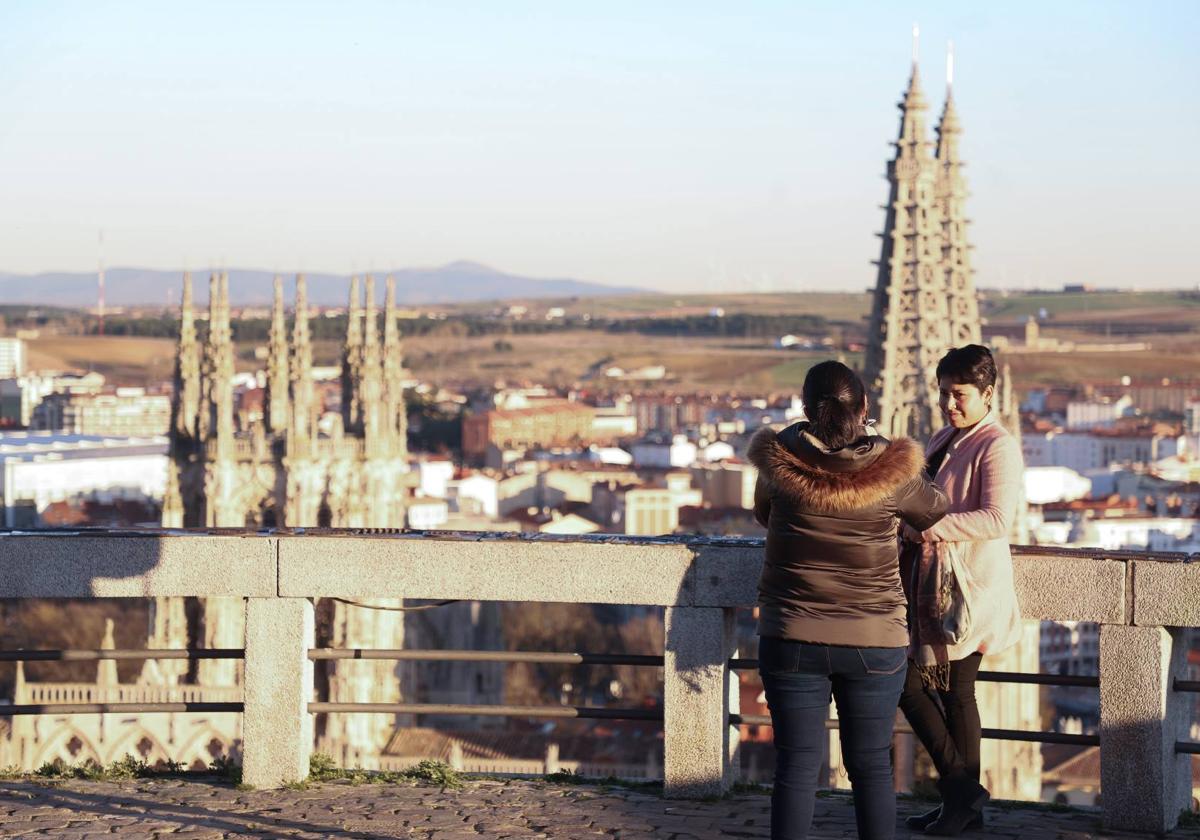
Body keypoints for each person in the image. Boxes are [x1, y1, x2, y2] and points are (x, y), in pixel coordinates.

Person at [749, 360, 948, 840]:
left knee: (796, 768)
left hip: (790, 634)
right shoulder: (891, 470)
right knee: (871, 767)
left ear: (805, 407)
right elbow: (935, 509)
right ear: (864, 407)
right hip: (872, 637)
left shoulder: (778, 460)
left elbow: (762, 513)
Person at [898, 345, 1026, 835]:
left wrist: (927, 529)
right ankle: (962, 801)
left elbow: (996, 518)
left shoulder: (998, 445)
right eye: (943, 393)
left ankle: (961, 800)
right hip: (934, 587)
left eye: (959, 394)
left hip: (967, 592)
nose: (949, 403)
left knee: (951, 694)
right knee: (939, 693)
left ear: (988, 393)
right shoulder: (944, 436)